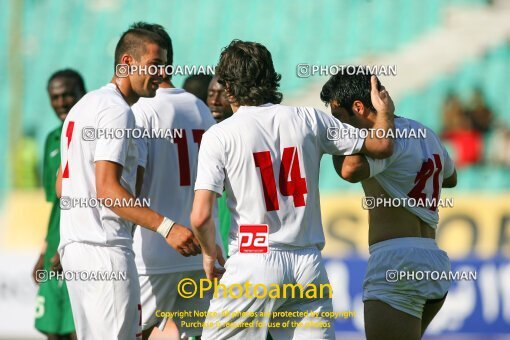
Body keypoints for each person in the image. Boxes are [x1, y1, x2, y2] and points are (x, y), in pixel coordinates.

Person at [190, 40, 395, 340]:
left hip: (254, 260)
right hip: (307, 264)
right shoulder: (309, 119)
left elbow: (199, 217)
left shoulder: (219, 136)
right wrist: (385, 111)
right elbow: (381, 145)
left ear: (229, 87)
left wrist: (209, 255)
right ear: (271, 77)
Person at [56, 25, 200, 340]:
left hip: (76, 248)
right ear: (126, 62)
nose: (161, 73)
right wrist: (167, 227)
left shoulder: (83, 107)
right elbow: (108, 191)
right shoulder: (116, 111)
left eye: (164, 65)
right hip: (105, 250)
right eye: (153, 64)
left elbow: (60, 186)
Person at [320, 70, 457, 340]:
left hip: (397, 262)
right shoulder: (424, 132)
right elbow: (451, 177)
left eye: (339, 118)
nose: (339, 126)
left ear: (358, 107)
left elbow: (350, 170)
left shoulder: (385, 139)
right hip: (433, 258)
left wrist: (333, 142)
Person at [128, 22, 223, 340]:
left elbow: (135, 185)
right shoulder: (200, 108)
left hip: (155, 250)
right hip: (200, 252)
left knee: (130, 333)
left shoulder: (142, 109)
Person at [33, 69, 85, 340]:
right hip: (55, 245)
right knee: (53, 331)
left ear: (82, 94)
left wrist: (69, 244)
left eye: (68, 95)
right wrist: (45, 248)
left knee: (80, 329)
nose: (61, 102)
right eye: (55, 97)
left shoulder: (89, 134)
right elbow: (57, 204)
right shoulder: (52, 139)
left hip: (78, 245)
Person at [205, 76, 233, 253]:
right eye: (210, 94)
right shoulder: (206, 138)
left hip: (239, 247)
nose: (215, 101)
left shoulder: (247, 138)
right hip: (211, 246)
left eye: (222, 94)